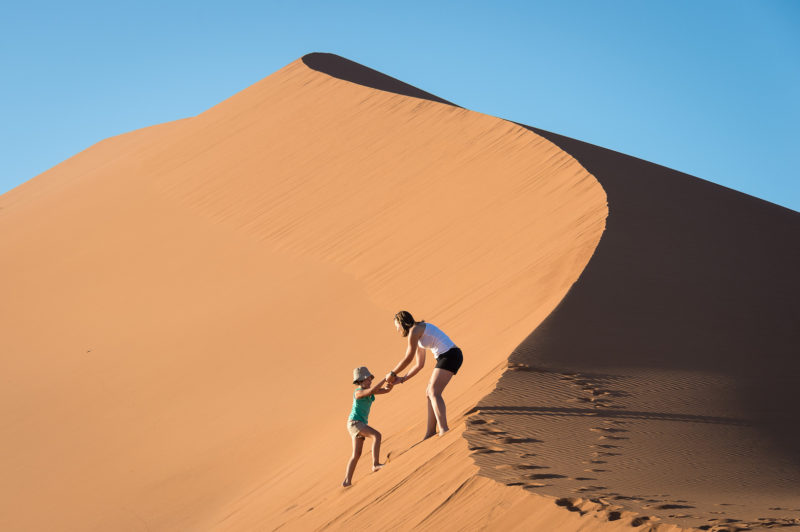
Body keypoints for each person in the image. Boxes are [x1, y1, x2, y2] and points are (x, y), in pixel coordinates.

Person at [386, 310, 463, 438]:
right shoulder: (418, 333)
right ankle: (430, 432)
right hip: (447, 356)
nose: (397, 330)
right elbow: (419, 364)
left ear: (401, 322)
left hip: (450, 355)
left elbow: (408, 358)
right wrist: (402, 379)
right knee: (429, 393)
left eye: (396, 326)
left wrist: (393, 373)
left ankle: (444, 429)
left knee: (433, 392)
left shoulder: (414, 331)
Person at [342, 366, 394, 487]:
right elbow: (372, 391)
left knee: (356, 454)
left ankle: (346, 481)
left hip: (357, 423)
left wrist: (391, 381)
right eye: (367, 379)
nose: (370, 381)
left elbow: (386, 390)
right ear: (360, 382)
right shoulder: (358, 392)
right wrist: (385, 379)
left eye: (370, 379)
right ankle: (375, 464)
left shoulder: (370, 390)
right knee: (377, 435)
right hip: (355, 423)